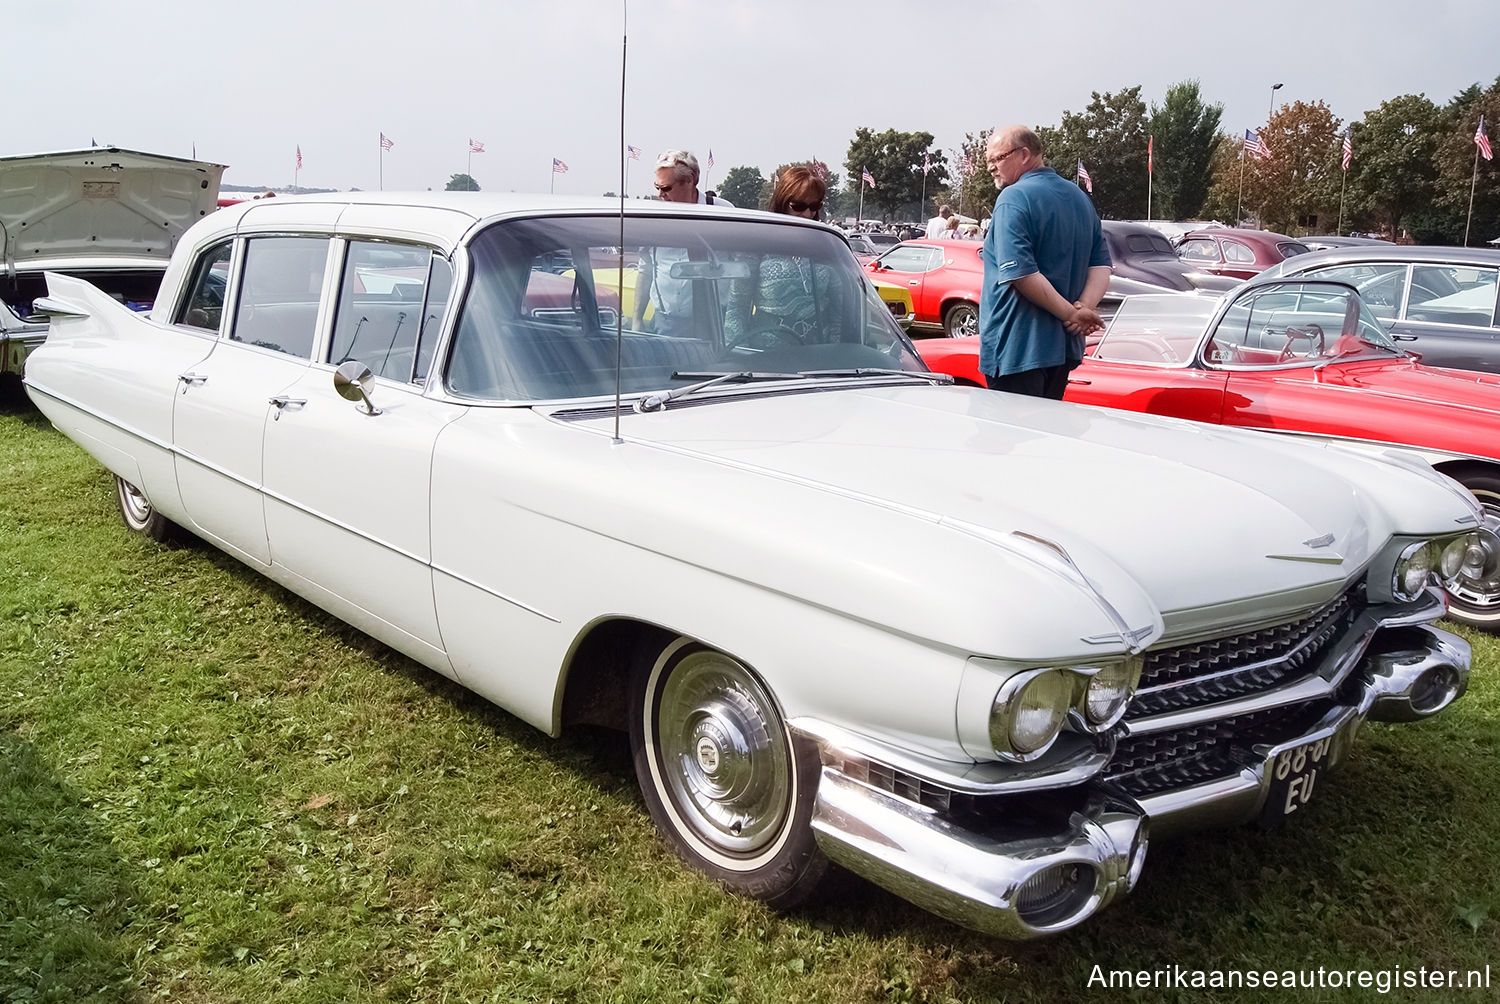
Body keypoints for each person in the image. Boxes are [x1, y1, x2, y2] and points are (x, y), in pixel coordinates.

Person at [978, 125, 1111, 399]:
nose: (991, 167)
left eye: (997, 159)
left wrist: (1073, 314)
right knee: (1045, 436)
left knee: (1012, 436)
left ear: (1024, 154)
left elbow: (1021, 273)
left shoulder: (1013, 198)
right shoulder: (1080, 198)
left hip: (1017, 346)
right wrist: (1083, 308)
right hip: (1062, 348)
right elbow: (1101, 266)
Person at [724, 166, 842, 344]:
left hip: (818, 354)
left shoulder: (824, 246)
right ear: (782, 203)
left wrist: (835, 351)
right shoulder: (757, 244)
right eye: (799, 206)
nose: (807, 214)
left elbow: (838, 311)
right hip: (767, 355)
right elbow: (737, 307)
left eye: (814, 206)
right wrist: (739, 357)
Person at [632, 149, 735, 334]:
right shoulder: (653, 219)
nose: (660, 195)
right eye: (657, 188)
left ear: (689, 180)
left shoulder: (723, 212)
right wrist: (637, 319)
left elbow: (739, 267)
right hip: (666, 322)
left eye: (666, 188)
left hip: (715, 322)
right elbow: (646, 268)